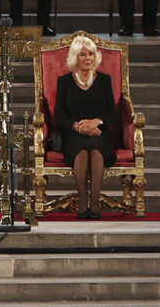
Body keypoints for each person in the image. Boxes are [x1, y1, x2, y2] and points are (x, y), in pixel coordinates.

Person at [44, 32, 131, 219]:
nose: (88, 58)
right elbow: (59, 114)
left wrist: (96, 122)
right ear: (75, 58)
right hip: (73, 133)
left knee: (97, 152)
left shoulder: (104, 80)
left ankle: (94, 202)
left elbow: (112, 113)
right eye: (83, 54)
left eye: (91, 54)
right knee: (82, 153)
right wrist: (77, 126)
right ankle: (83, 202)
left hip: (99, 131)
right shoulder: (65, 81)